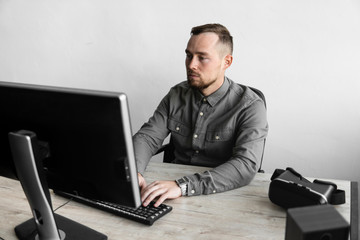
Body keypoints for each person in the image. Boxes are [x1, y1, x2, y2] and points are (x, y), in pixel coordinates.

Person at [133, 23, 268, 207]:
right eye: (189, 55)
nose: (191, 65)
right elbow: (147, 137)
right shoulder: (177, 94)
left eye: (202, 58)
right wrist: (134, 172)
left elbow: (245, 164)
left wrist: (183, 186)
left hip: (223, 195)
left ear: (226, 62)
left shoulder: (250, 105)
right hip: (170, 190)